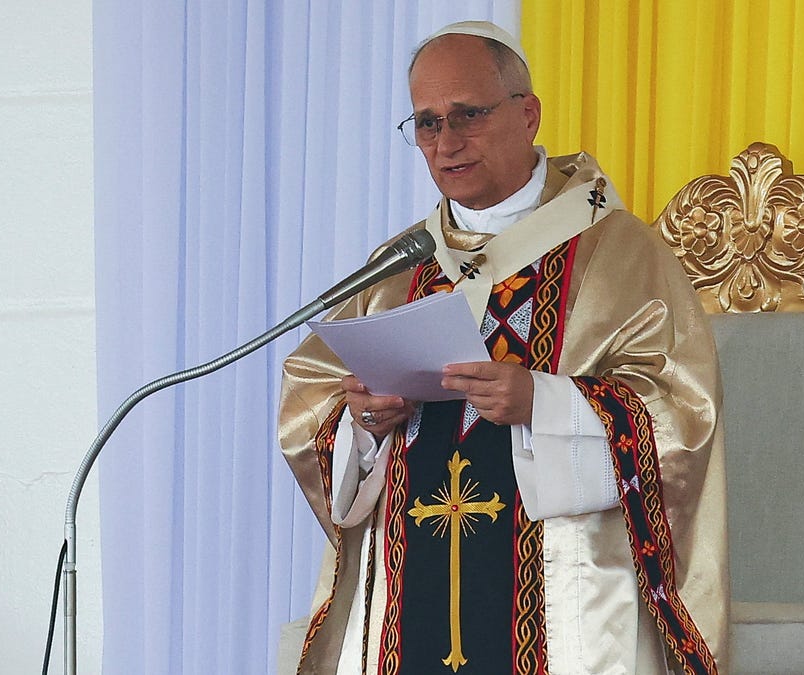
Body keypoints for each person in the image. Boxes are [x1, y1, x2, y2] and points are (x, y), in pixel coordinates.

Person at [279, 20, 728, 675]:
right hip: (407, 603)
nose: (446, 142)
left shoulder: (621, 254)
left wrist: (544, 402)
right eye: (427, 123)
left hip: (565, 601)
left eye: (467, 114)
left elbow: (683, 418)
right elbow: (316, 402)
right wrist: (363, 423)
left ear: (528, 115)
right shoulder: (397, 267)